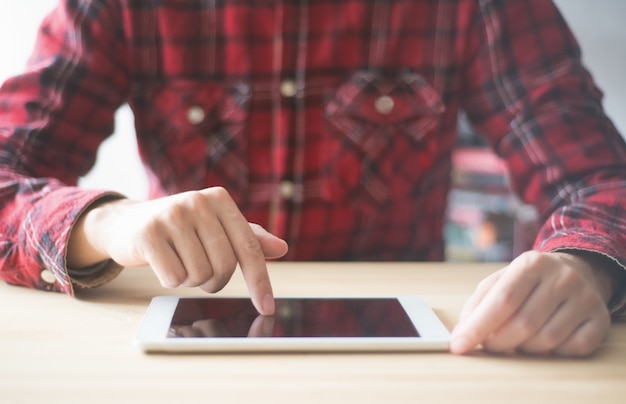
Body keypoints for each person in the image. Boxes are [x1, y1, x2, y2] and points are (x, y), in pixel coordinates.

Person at [0, 0, 625, 357]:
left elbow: (599, 178)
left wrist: (582, 265)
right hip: (188, 370)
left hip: (411, 374)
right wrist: (110, 220)